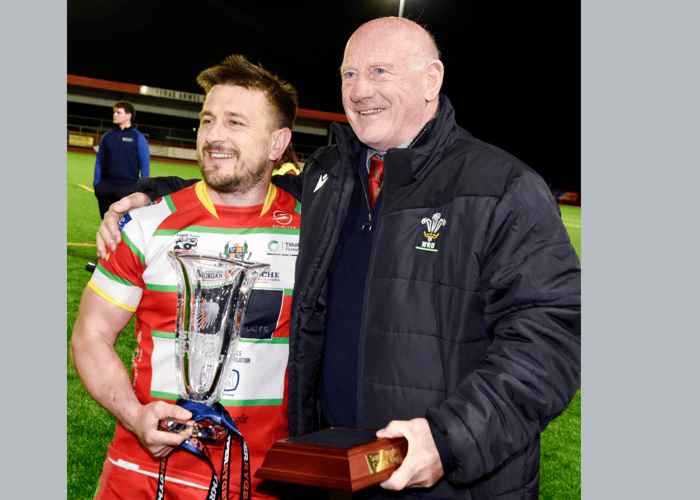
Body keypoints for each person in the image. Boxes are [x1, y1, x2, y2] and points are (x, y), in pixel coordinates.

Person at [98, 17, 581, 500]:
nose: (360, 89)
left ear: (432, 80)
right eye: (349, 74)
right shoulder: (332, 174)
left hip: (452, 480)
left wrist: (448, 438)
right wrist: (151, 193)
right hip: (336, 473)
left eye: (379, 72)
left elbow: (551, 338)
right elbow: (246, 182)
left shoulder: (500, 187)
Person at [71, 55, 301, 500]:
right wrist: (136, 417)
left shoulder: (313, 234)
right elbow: (90, 333)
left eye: (235, 123)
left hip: (260, 481)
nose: (213, 136)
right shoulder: (146, 224)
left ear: (278, 144)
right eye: (207, 120)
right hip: (140, 473)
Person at [93, 100, 151, 219]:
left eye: (118, 112)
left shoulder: (138, 137)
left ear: (128, 115)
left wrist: (142, 188)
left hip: (127, 189)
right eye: (114, 112)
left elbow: (145, 164)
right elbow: (99, 160)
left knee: (124, 225)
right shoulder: (107, 136)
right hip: (105, 188)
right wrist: (97, 184)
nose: (114, 115)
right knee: (105, 222)